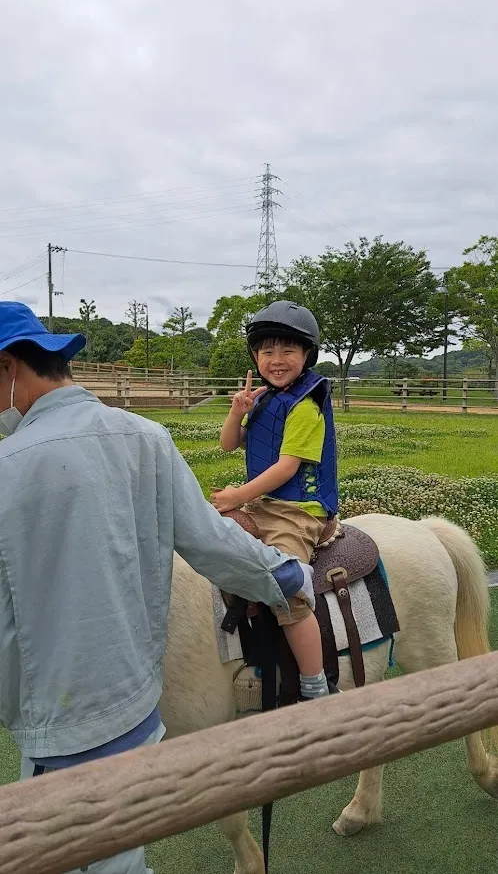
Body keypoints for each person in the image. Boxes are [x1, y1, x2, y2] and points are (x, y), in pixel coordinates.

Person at [0, 301, 316, 874]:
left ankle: (314, 686)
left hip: (59, 716)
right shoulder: (146, 437)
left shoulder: (7, 463)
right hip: (138, 704)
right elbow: (211, 542)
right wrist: (285, 575)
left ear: (7, 368)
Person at [212, 300, 339, 702]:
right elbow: (229, 444)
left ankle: (315, 682)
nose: (276, 359)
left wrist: (237, 495)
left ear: (307, 356)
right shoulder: (264, 400)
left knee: (288, 588)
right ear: (256, 356)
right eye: (267, 350)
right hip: (263, 505)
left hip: (298, 512)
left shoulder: (306, 406)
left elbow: (286, 469)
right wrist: (237, 412)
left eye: (288, 350)